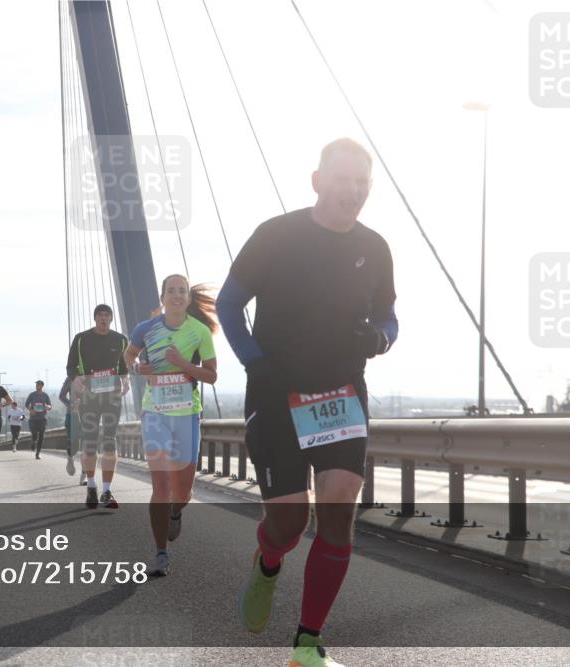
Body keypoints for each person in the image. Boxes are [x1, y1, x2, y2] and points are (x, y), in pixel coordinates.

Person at [217, 138, 398, 666]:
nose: (352, 190)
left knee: (339, 508)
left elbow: (389, 317)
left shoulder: (377, 247)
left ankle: (307, 643)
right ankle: (268, 562)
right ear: (317, 180)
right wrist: (254, 360)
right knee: (289, 525)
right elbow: (229, 304)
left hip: (341, 394)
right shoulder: (276, 235)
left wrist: (380, 340)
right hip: (276, 395)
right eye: (341, 179)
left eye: (361, 182)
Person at [124, 275, 218, 577]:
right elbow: (129, 356)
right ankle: (160, 552)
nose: (176, 295)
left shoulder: (199, 331)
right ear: (162, 297)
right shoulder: (145, 329)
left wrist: (183, 364)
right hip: (155, 412)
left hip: (187, 415)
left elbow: (211, 376)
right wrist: (139, 368)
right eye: (171, 291)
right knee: (160, 485)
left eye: (182, 291)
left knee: (183, 491)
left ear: (188, 299)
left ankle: (176, 512)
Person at [66, 304, 129, 509]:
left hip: (112, 396)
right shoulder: (81, 338)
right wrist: (75, 379)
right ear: (95, 319)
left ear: (111, 319)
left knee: (110, 441)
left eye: (107, 316)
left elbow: (124, 365)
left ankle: (107, 490)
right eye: (100, 316)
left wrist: (126, 379)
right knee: (91, 442)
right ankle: (92, 486)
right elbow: (71, 365)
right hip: (89, 396)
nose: (103, 319)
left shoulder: (120, 339)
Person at [59, 375, 86, 484]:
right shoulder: (70, 377)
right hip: (72, 415)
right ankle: (70, 457)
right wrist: (70, 405)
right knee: (74, 444)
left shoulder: (93, 374)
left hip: (89, 415)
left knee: (87, 445)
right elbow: (61, 396)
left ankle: (84, 475)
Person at [25, 380, 52, 459]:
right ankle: (33, 441)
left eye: (39, 385)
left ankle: (38, 453)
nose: (37, 386)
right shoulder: (32, 395)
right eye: (36, 385)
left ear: (42, 386)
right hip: (33, 418)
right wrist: (31, 410)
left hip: (42, 418)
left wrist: (48, 407)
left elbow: (50, 406)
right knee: (34, 433)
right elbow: (26, 404)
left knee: (41, 436)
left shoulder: (45, 395)